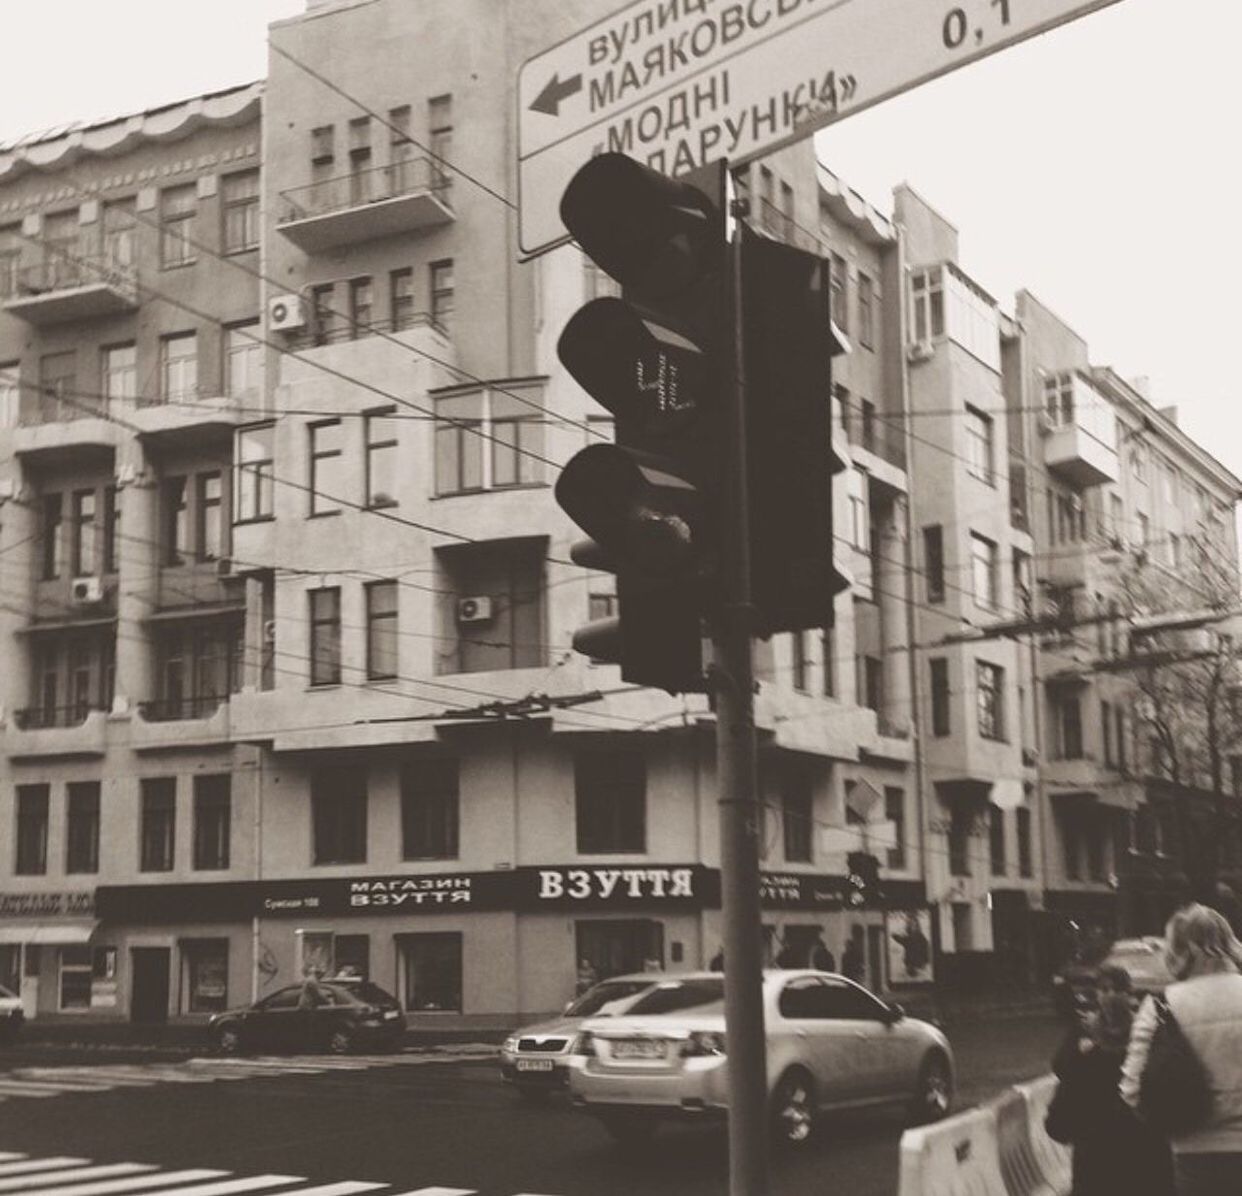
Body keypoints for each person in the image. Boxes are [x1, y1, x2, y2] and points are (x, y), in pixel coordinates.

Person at [1120, 904, 1242, 1195]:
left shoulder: (1161, 1006)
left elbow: (1133, 1090)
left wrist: (1174, 1124)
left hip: (1194, 1157)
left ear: (1178, 948)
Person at [1046, 966, 1174, 1196]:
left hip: (1129, 1145)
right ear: (1097, 993)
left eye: (1117, 989)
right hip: (1108, 1144)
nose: (1111, 995)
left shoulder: (1142, 1032)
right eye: (1105, 989)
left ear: (1129, 994)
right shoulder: (1088, 1032)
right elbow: (1062, 1068)